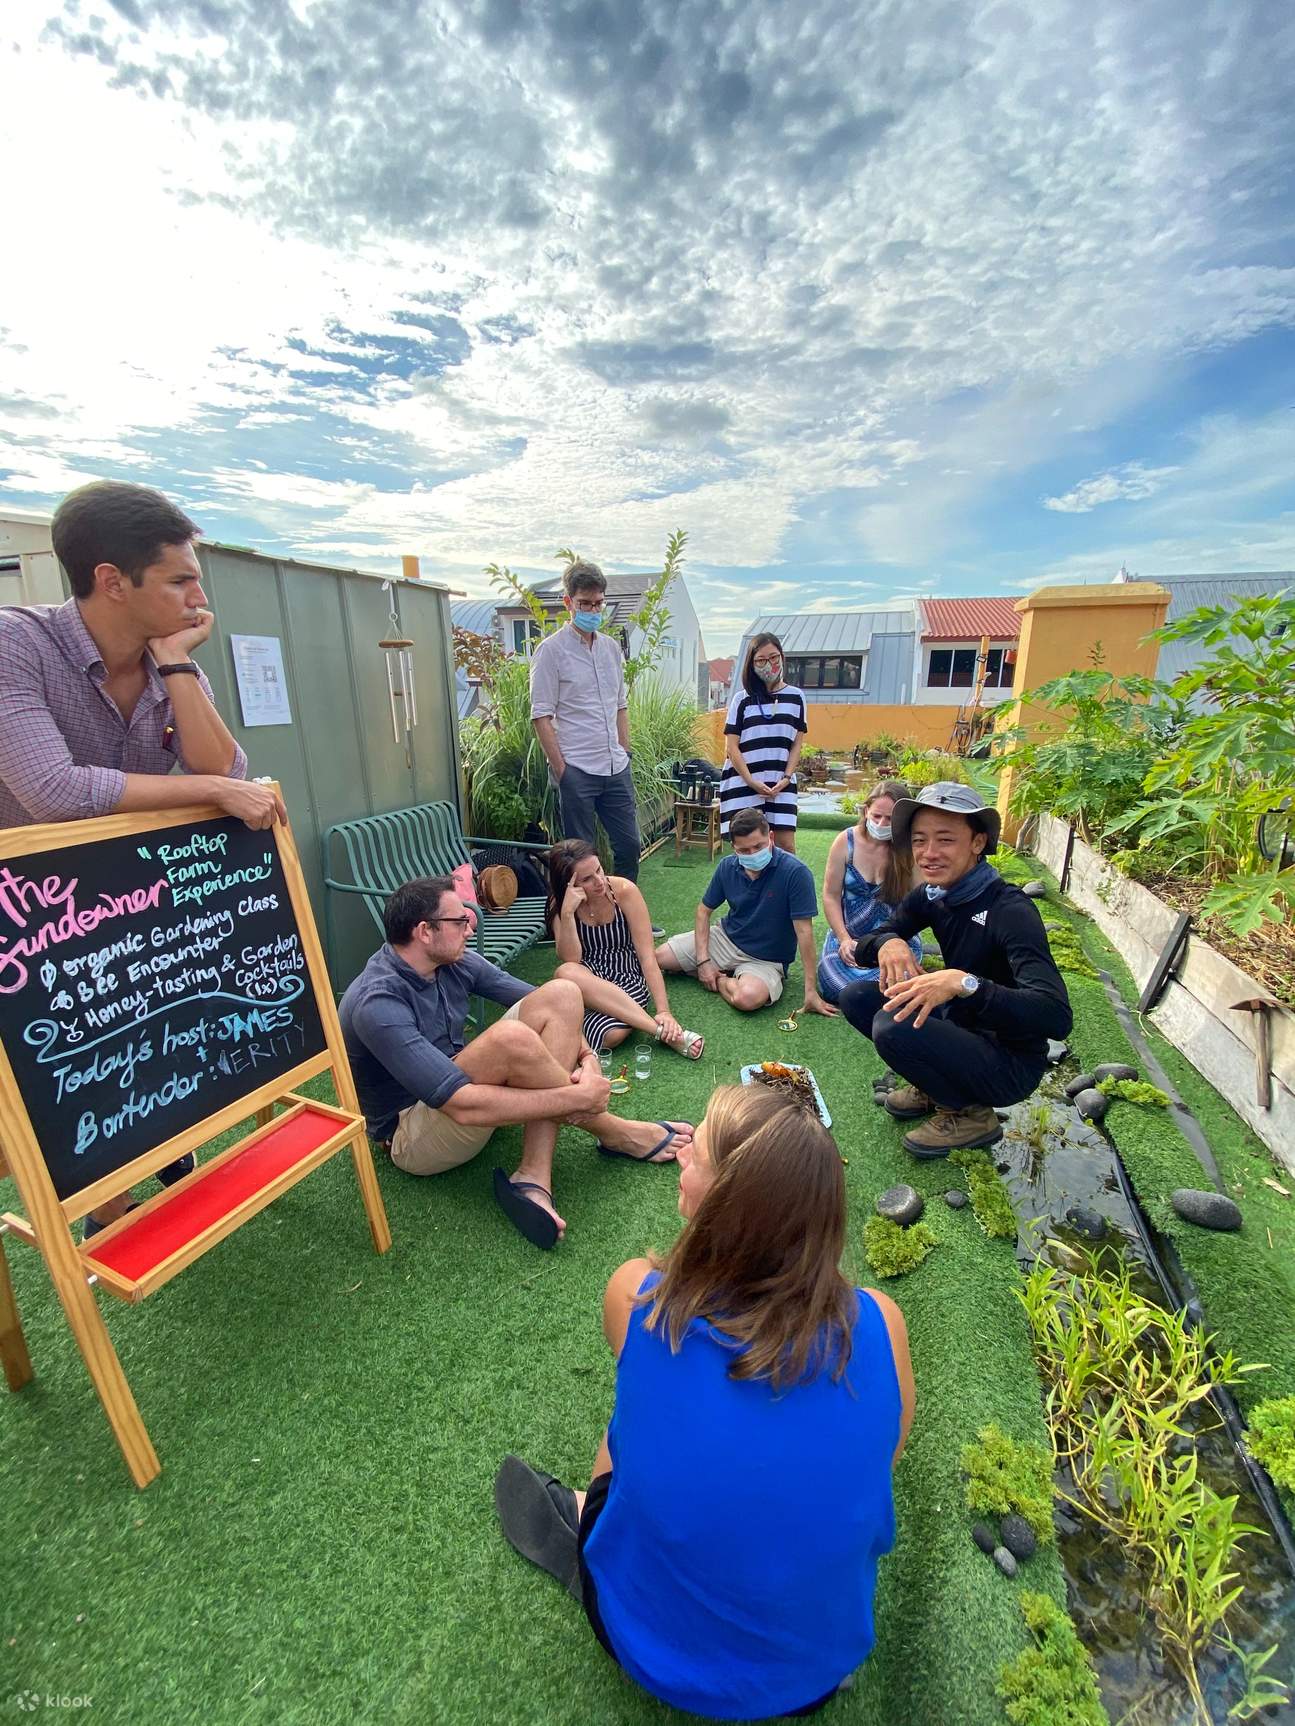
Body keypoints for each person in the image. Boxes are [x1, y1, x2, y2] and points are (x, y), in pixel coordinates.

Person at [494, 1083, 915, 1721]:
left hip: (642, 1651)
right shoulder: (882, 1323)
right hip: (814, 1676)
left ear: (725, 1207)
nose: (683, 1150)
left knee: (624, 1433)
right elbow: (890, 1456)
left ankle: (586, 1524)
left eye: (701, 1150)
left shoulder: (639, 1299)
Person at [0, 480, 286, 1235]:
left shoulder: (169, 657)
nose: (200, 596)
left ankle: (158, 1145)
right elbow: (52, 791)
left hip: (137, 900)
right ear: (111, 582)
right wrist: (214, 793)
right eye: (180, 578)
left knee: (158, 1028)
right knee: (67, 1059)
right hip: (31, 918)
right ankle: (105, 1206)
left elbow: (224, 765)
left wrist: (176, 664)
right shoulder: (15, 643)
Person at [338, 876, 694, 1250]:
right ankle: (616, 1132)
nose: (470, 928)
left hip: (462, 1085)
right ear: (425, 931)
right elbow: (460, 1105)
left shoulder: (452, 962)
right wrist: (578, 1098)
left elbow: (550, 1006)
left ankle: (534, 1175)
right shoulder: (376, 1002)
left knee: (563, 992)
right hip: (413, 1133)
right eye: (460, 922)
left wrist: (587, 1056)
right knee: (511, 1039)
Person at [840, 782, 1073, 1158]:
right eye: (919, 840)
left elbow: (1056, 1016)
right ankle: (934, 1087)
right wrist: (889, 942)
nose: (929, 854)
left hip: (1009, 1061)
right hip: (963, 1028)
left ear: (977, 843)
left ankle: (969, 1115)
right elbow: (870, 942)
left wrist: (965, 984)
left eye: (945, 840)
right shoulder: (934, 896)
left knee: (891, 1023)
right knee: (857, 998)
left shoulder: (1010, 910)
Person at [656, 807, 836, 1016]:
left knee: (746, 998)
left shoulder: (795, 873)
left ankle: (720, 978)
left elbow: (804, 932)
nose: (752, 854)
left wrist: (811, 990)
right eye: (744, 850)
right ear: (733, 847)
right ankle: (709, 970)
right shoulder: (727, 866)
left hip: (766, 958)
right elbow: (703, 911)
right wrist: (703, 961)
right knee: (659, 957)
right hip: (726, 938)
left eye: (758, 846)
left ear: (770, 837)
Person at [530, 559, 640, 881]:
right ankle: (584, 924)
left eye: (598, 603)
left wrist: (625, 752)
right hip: (577, 772)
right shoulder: (550, 652)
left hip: (616, 767)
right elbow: (541, 715)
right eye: (585, 603)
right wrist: (563, 771)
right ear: (568, 602)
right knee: (580, 858)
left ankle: (623, 916)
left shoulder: (610, 649)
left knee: (629, 846)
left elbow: (620, 705)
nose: (593, 610)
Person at [547, 839, 704, 1058]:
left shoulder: (624, 891)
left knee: (610, 1036)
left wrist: (664, 1010)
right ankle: (661, 1032)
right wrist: (567, 914)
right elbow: (572, 958)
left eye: (599, 870)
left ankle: (573, 1025)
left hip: (626, 975)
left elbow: (647, 956)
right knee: (565, 972)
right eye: (587, 879)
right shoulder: (561, 904)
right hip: (587, 979)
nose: (599, 881)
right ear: (568, 884)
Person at [817, 779, 922, 1004]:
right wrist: (844, 939)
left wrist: (897, 945)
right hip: (848, 939)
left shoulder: (909, 850)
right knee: (834, 987)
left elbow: (922, 901)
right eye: (876, 816)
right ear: (866, 811)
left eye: (890, 819)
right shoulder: (846, 841)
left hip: (894, 942)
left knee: (893, 983)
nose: (882, 823)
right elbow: (830, 894)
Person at [718, 632, 807, 852]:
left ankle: (787, 888)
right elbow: (732, 747)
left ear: (782, 657)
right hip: (743, 782)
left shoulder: (796, 697)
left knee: (786, 847)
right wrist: (751, 780)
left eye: (774, 657)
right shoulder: (742, 699)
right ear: (752, 663)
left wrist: (787, 777)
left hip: (781, 784)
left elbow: (796, 743)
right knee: (748, 848)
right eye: (761, 660)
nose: (769, 664)